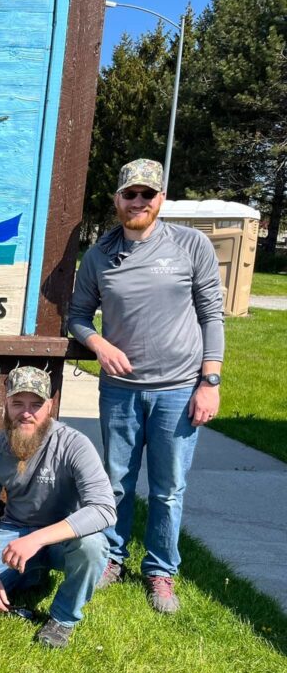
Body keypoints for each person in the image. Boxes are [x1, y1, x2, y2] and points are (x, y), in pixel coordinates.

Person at [69, 158, 224, 614]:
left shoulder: (190, 245)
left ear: (161, 200)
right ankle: (113, 559)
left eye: (147, 194)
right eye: (129, 194)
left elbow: (212, 314)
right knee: (115, 482)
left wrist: (209, 381)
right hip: (119, 390)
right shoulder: (99, 256)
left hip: (178, 389)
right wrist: (97, 343)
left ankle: (160, 571)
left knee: (168, 487)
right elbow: (77, 316)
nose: (138, 201)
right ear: (116, 199)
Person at [0, 367, 116, 648]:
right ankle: (30, 574)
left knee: (93, 546)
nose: (27, 412)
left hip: (62, 536)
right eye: (18, 403)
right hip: (14, 530)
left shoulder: (74, 445)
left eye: (36, 404)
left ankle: (63, 618)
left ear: (49, 406)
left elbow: (104, 509)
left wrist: (36, 540)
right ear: (6, 405)